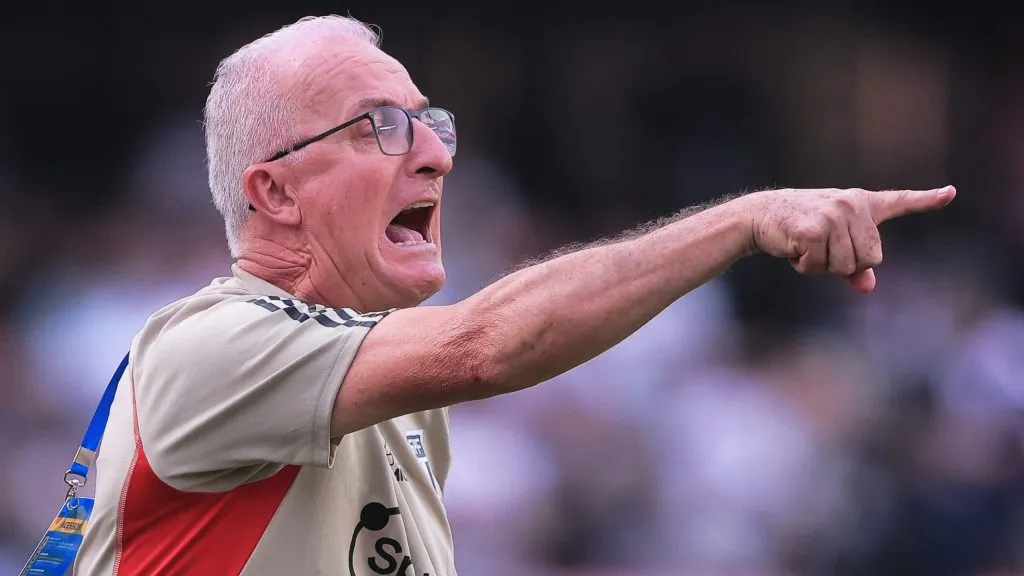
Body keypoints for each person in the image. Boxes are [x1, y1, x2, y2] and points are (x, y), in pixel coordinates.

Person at [72, 14, 956, 576]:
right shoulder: (210, 344)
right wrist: (744, 219)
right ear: (274, 193)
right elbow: (489, 345)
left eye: (431, 122)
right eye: (380, 126)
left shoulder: (394, 396)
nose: (436, 155)